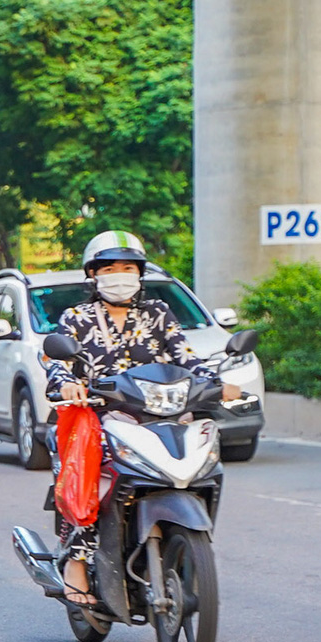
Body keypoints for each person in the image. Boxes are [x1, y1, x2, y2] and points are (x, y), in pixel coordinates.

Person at [42, 230, 205, 606]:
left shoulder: (158, 314)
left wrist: (217, 382)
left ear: (140, 272)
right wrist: (67, 384)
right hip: (95, 419)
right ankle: (77, 562)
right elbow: (56, 361)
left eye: (127, 267)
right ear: (94, 275)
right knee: (89, 473)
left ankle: (179, 536)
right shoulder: (77, 317)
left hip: (153, 417)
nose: (119, 274)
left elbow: (187, 357)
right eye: (109, 267)